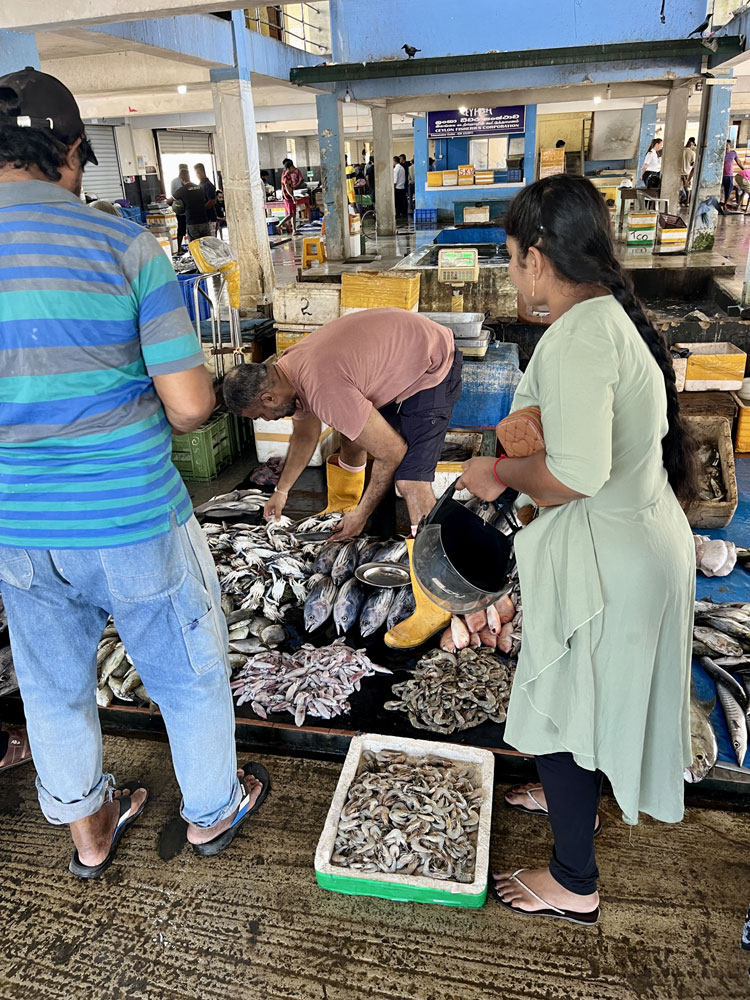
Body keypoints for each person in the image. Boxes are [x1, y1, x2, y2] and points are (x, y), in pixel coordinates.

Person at [0, 66, 270, 878]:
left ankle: (89, 833)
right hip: (130, 513)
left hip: (18, 525)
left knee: (51, 687)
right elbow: (190, 406)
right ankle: (211, 812)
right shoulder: (123, 246)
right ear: (73, 150)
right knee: (186, 671)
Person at [457, 174, 695, 925]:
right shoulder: (607, 318)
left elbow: (575, 475)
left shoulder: (580, 335)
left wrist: (495, 474)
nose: (513, 274)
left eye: (511, 259)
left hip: (611, 562)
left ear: (536, 257)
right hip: (633, 541)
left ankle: (573, 881)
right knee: (586, 697)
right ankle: (573, 804)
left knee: (558, 705)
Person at [223, 309, 463, 647]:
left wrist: (362, 513)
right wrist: (281, 491)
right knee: (351, 436)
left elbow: (392, 452)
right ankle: (347, 511)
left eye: (261, 414)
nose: (268, 419)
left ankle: (435, 601)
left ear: (268, 397)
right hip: (400, 354)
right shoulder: (288, 371)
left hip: (431, 366)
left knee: (411, 481)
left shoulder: (322, 388)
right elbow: (305, 435)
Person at [169, 168, 210, 241]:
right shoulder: (200, 188)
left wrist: (179, 204)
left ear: (182, 179)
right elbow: (205, 200)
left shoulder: (182, 190)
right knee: (207, 244)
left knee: (194, 245)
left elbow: (169, 201)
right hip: (204, 221)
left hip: (192, 222)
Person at [281, 157, 303, 234]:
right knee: (290, 214)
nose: (294, 169)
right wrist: (292, 196)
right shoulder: (285, 176)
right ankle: (279, 224)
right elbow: (286, 187)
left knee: (294, 214)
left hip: (291, 196)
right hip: (287, 197)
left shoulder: (289, 175)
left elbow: (291, 186)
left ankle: (294, 230)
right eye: (292, 167)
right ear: (289, 168)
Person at [194, 162, 217, 236]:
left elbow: (212, 201)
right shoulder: (200, 185)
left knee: (211, 239)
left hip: (210, 217)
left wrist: (201, 209)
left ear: (203, 172)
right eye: (196, 173)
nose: (197, 175)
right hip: (204, 219)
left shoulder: (208, 185)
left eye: (198, 173)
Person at [171, 162, 189, 248]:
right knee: (183, 228)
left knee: (183, 228)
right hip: (182, 209)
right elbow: (174, 195)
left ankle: (181, 248)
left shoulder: (174, 181)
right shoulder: (178, 182)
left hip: (182, 209)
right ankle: (180, 249)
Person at [723, 139, 742, 206]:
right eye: (725, 145)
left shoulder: (733, 153)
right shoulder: (721, 153)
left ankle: (725, 204)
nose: (726, 146)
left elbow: (738, 162)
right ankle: (721, 204)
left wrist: (743, 169)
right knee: (722, 190)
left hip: (729, 175)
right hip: (721, 175)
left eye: (727, 145)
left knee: (728, 190)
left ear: (729, 145)